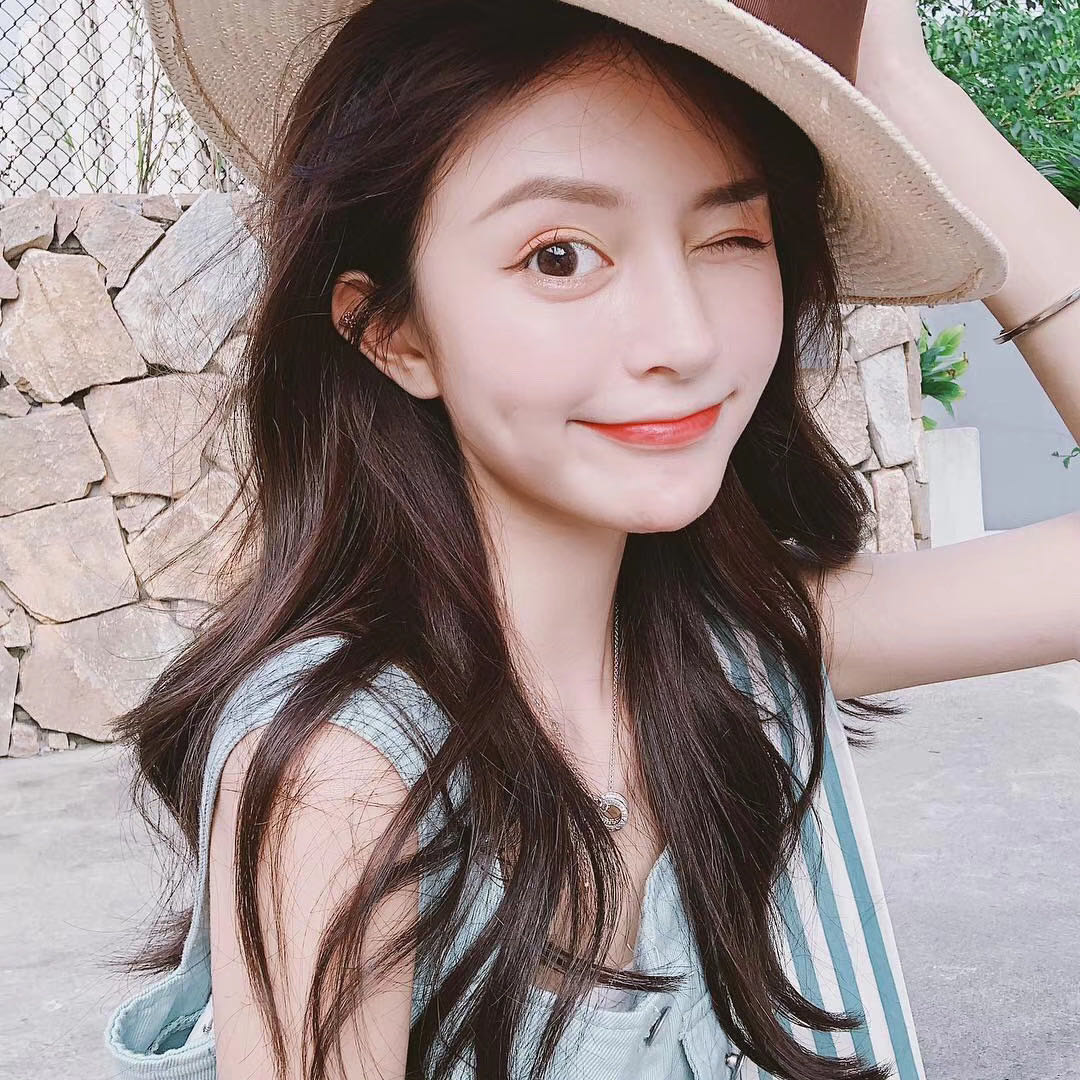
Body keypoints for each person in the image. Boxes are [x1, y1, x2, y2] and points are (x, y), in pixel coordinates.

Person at [103, 0, 1080, 1078]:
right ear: (394, 331)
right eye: (560, 256)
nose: (683, 338)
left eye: (731, 238)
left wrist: (899, 85)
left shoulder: (731, 645)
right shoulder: (345, 779)